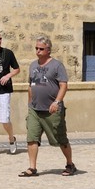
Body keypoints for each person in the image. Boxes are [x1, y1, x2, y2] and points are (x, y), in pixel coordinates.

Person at [20, 35, 76, 177]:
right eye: (36, 48)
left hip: (52, 110)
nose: (37, 51)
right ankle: (32, 168)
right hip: (35, 109)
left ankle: (70, 164)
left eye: (41, 49)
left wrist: (57, 102)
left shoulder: (57, 65)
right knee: (32, 138)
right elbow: (30, 86)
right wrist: (29, 104)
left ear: (48, 50)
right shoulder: (33, 65)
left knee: (60, 139)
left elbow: (63, 85)